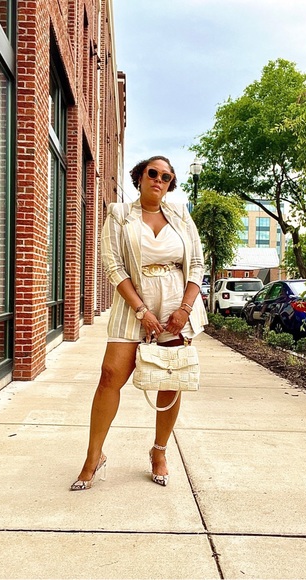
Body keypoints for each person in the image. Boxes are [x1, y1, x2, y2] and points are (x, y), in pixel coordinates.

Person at [70, 155, 208, 490]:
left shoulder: (181, 214)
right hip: (134, 304)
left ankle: (159, 452)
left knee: (170, 380)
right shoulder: (119, 214)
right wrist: (141, 311)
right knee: (110, 375)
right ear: (140, 176)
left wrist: (185, 309)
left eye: (166, 176)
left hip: (175, 307)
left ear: (170, 183)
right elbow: (113, 266)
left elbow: (196, 264)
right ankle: (93, 456)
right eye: (153, 173)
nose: (159, 180)